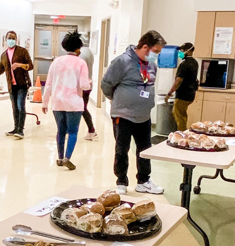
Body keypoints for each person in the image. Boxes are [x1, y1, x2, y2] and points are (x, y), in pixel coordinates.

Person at [101, 30, 167, 195]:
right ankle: (121, 181)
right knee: (122, 148)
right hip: (123, 114)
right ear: (145, 47)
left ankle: (144, 181)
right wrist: (115, 99)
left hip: (143, 115)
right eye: (156, 51)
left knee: (145, 149)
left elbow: (148, 85)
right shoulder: (122, 62)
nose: (156, 56)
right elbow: (106, 84)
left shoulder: (151, 64)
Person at [42, 30, 90, 170]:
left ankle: (59, 156)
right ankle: (67, 158)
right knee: (73, 132)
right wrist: (90, 83)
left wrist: (45, 102)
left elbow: (49, 83)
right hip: (74, 104)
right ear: (78, 48)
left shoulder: (56, 62)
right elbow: (84, 85)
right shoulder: (81, 63)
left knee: (61, 131)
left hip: (57, 102)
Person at [0, 31, 33, 139]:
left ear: (16, 40)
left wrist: (20, 65)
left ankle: (20, 130)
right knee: (14, 108)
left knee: (20, 106)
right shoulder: (4, 55)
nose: (11, 40)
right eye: (9, 38)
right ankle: (15, 128)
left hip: (22, 84)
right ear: (6, 40)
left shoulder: (22, 51)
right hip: (11, 86)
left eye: (13, 38)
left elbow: (30, 66)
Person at [165, 43, 199, 131]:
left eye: (182, 50)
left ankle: (181, 135)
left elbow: (178, 81)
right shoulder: (195, 62)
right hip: (191, 94)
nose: (181, 52)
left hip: (182, 94)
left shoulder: (184, 64)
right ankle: (182, 132)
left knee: (179, 116)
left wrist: (169, 93)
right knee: (182, 114)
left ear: (188, 51)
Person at [79, 43, 97, 140]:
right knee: (82, 108)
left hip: (82, 86)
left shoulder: (81, 54)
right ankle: (91, 130)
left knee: (80, 108)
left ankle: (91, 130)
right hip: (88, 85)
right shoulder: (89, 51)